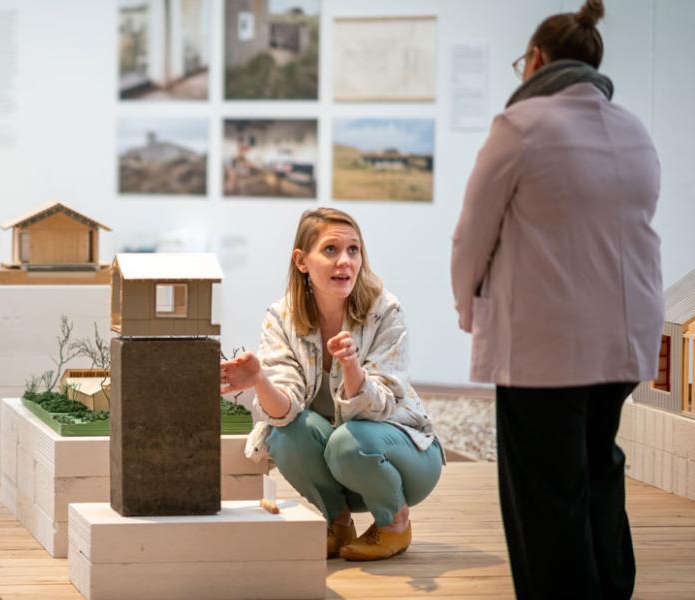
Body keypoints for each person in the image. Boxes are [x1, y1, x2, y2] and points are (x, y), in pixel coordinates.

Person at [451, 1, 662, 597]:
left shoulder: (521, 126)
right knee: (598, 470)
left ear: (536, 60)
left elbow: (472, 235)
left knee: (545, 495)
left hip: (544, 347)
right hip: (623, 342)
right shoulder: (631, 129)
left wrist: (468, 311)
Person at [221, 208, 443, 562]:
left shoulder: (385, 310)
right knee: (283, 433)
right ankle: (337, 523)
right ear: (301, 260)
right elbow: (284, 411)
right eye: (331, 250)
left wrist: (352, 366)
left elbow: (382, 405)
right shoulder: (281, 317)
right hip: (342, 471)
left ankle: (395, 523)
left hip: (407, 462)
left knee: (347, 443)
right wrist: (260, 380)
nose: (345, 261)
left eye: (353, 250)